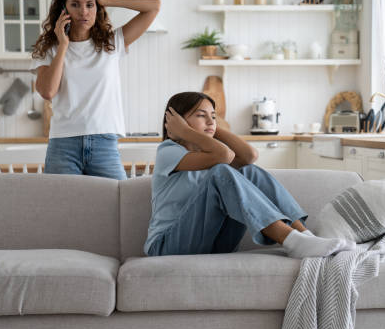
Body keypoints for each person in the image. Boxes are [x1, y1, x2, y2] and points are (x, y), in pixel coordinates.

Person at [145, 92, 355, 258]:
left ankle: (305, 236)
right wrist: (186, 132)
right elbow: (224, 155)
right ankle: (293, 241)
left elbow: (249, 156)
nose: (210, 121)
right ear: (177, 123)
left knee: (248, 171)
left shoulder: (207, 152)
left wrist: (209, 126)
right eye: (201, 115)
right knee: (222, 171)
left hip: (212, 244)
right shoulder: (169, 150)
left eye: (214, 116)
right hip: (167, 246)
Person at [31, 0, 160, 179]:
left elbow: (153, 6)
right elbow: (47, 91)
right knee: (61, 210)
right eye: (75, 4)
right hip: (63, 144)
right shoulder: (49, 49)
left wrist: (107, 0)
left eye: (90, 5)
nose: (84, 11)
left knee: (117, 203)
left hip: (104, 142)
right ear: (63, 10)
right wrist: (63, 45)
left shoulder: (112, 43)